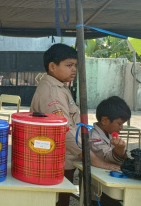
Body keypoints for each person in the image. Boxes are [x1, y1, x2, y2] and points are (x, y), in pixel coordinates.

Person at [30, 43, 120, 206]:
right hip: (57, 161)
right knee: (58, 201)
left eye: (75, 66)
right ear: (52, 66)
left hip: (64, 158)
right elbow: (64, 130)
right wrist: (93, 159)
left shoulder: (59, 87)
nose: (74, 70)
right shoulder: (52, 93)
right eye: (69, 65)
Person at [90, 96, 131, 206]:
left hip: (109, 186)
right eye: (119, 124)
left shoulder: (108, 134)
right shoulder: (94, 137)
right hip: (98, 193)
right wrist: (120, 150)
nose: (121, 128)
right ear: (104, 120)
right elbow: (107, 158)